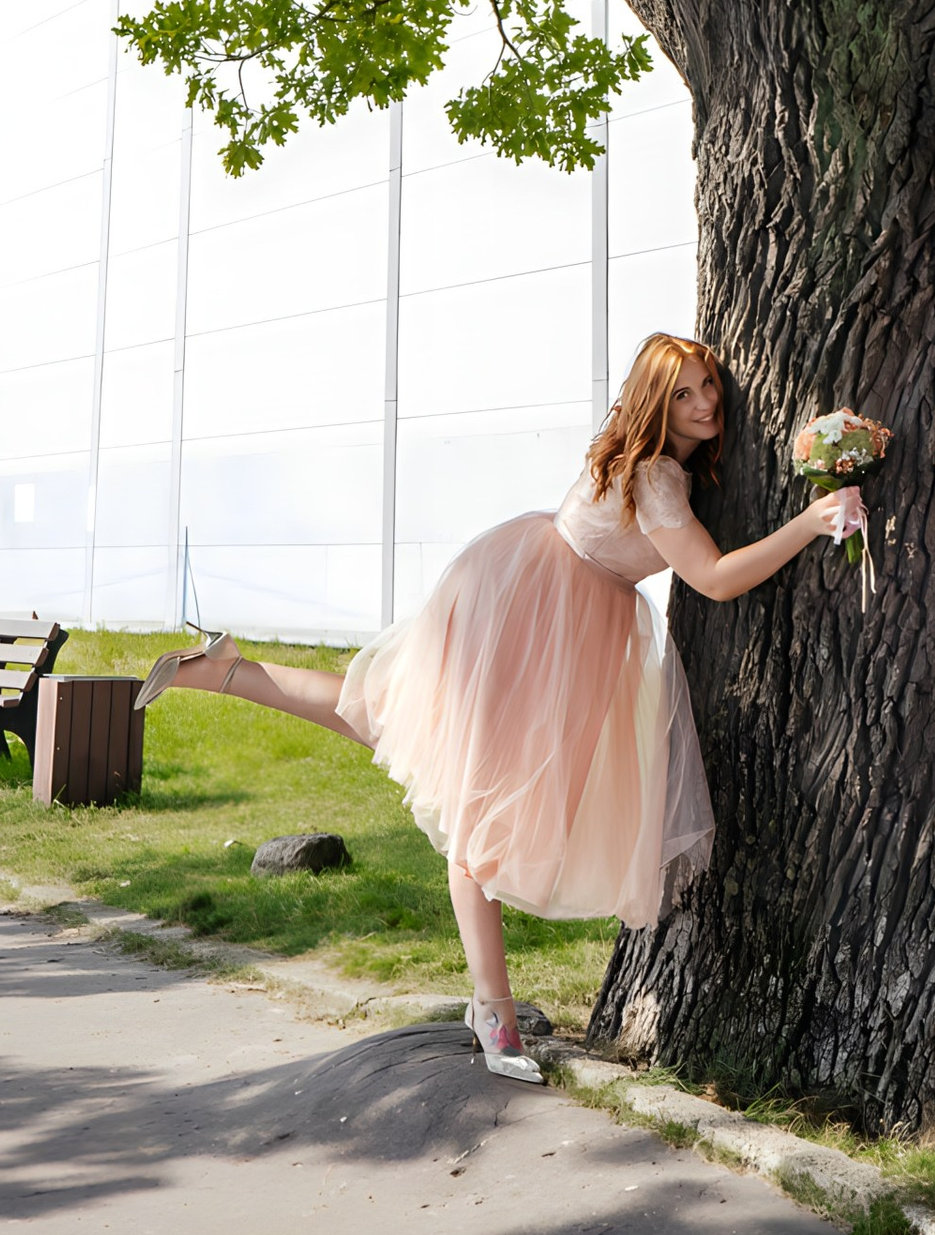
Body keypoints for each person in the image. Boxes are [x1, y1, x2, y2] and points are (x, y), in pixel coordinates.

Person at [136, 334, 849, 1082]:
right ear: (653, 401)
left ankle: (224, 669)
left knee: (381, 712)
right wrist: (808, 522)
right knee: (479, 818)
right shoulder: (656, 475)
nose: (707, 401)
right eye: (685, 392)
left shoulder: (637, 460)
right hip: (546, 620)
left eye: (709, 385)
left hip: (536, 595)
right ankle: (493, 1014)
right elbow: (712, 578)